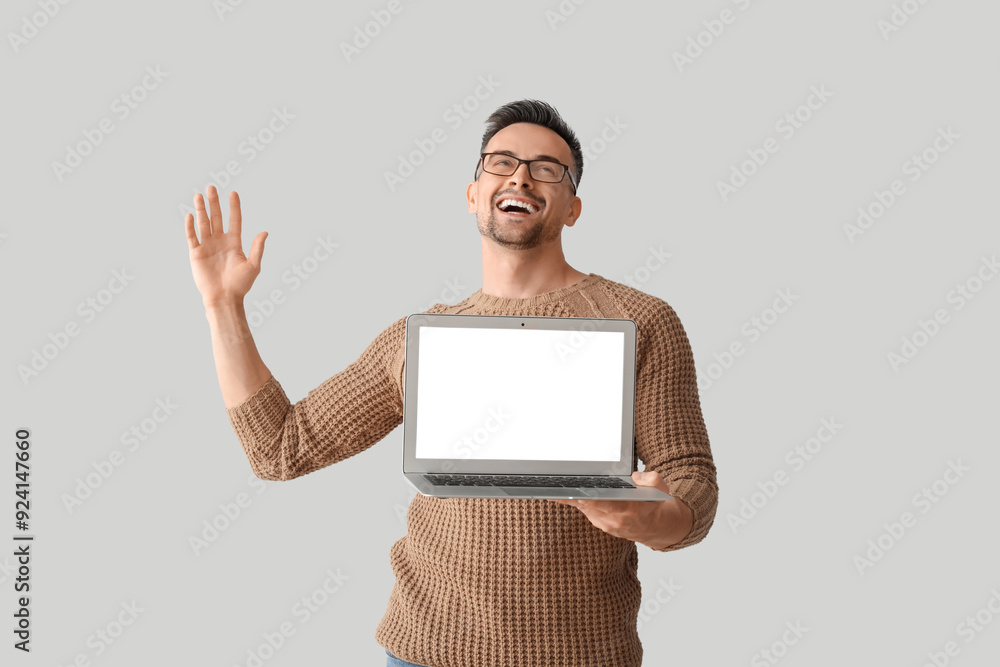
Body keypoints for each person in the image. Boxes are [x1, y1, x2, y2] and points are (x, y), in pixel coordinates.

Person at [184, 99, 718, 667]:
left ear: (573, 209)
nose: (520, 176)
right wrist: (223, 307)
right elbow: (279, 446)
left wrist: (654, 519)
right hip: (424, 652)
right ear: (472, 195)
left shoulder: (641, 321)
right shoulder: (420, 340)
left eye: (546, 168)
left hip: (583, 654)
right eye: (501, 162)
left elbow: (691, 481)